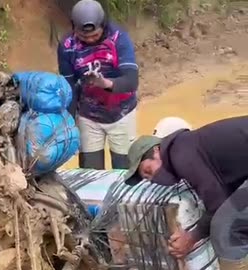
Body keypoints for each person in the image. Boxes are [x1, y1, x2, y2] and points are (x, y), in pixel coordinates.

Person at [123, 116, 248, 270]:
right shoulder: (186, 145)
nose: (153, 179)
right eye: (147, 179)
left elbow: (217, 203)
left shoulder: (181, 155)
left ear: (156, 150)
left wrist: (191, 237)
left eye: (148, 170)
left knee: (226, 228)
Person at [57, 0, 139, 170]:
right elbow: (69, 86)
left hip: (121, 114)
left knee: (124, 172)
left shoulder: (118, 38)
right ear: (74, 27)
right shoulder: (66, 46)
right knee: (90, 173)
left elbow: (132, 81)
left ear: (103, 25)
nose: (89, 40)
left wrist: (104, 83)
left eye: (94, 35)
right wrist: (69, 122)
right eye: (84, 36)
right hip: (88, 116)